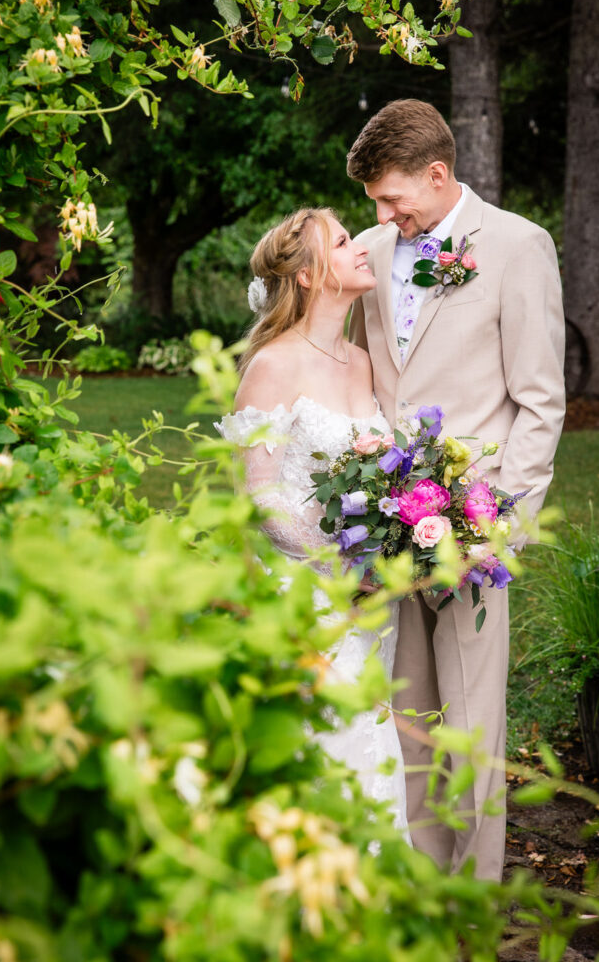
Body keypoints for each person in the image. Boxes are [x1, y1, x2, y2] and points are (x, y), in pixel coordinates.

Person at [347, 99, 566, 881]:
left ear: (437, 175)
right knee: (405, 711)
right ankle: (420, 881)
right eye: (374, 200)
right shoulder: (371, 250)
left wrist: (497, 524)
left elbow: (539, 402)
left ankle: (473, 892)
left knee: (471, 720)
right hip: (384, 522)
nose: (381, 214)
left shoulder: (516, 246)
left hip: (474, 526)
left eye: (391, 196)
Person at [216, 207, 409, 834]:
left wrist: (386, 556)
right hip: (312, 597)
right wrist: (343, 566)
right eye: (345, 241)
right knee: (324, 748)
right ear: (307, 276)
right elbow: (261, 496)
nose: (361, 248)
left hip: (375, 600)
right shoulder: (273, 364)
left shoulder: (362, 361)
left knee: (374, 747)